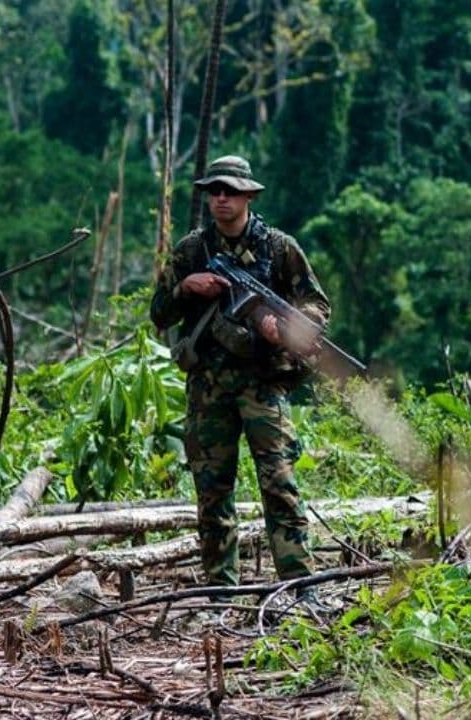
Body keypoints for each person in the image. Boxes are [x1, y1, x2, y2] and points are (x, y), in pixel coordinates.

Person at [150, 155, 330, 608]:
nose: (221, 199)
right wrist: (186, 288)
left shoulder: (279, 248)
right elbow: (158, 313)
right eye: (214, 191)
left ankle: (298, 587)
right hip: (208, 388)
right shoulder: (191, 250)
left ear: (249, 195)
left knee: (280, 484)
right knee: (213, 492)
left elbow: (316, 306)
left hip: (263, 384)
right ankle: (220, 594)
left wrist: (283, 329)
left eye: (229, 191)